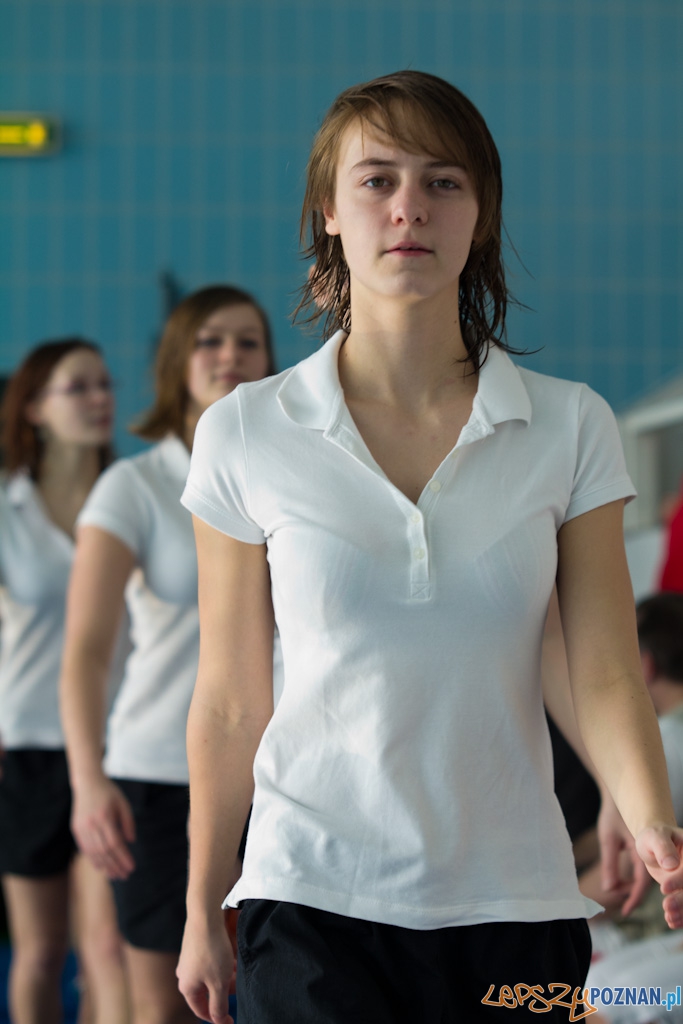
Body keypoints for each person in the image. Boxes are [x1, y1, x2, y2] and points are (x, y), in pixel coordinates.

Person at [176, 71, 683, 1024]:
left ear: (479, 216)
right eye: (377, 180)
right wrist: (205, 902)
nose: (409, 207)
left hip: (515, 902)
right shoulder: (247, 430)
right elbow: (231, 698)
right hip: (311, 893)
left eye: (443, 181)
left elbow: (606, 668)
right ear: (328, 213)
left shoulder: (569, 425)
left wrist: (649, 812)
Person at [60, 285, 275, 1024]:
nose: (229, 355)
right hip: (158, 776)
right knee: (168, 1003)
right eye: (209, 340)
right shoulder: (136, 485)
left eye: (247, 341)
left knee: (276, 992)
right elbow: (87, 651)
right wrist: (87, 780)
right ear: (177, 360)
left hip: (279, 775)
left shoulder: (293, 476)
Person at [0, 339, 129, 1024]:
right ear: (34, 408)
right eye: (78, 387)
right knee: (41, 951)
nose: (100, 398)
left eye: (104, 384)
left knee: (104, 947)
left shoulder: (132, 497)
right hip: (26, 750)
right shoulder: (5, 509)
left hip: (114, 749)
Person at [583, 593, 683, 1023]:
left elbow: (621, 873)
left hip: (653, 925)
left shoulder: (665, 744)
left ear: (645, 665)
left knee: (593, 994)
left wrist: (549, 908)